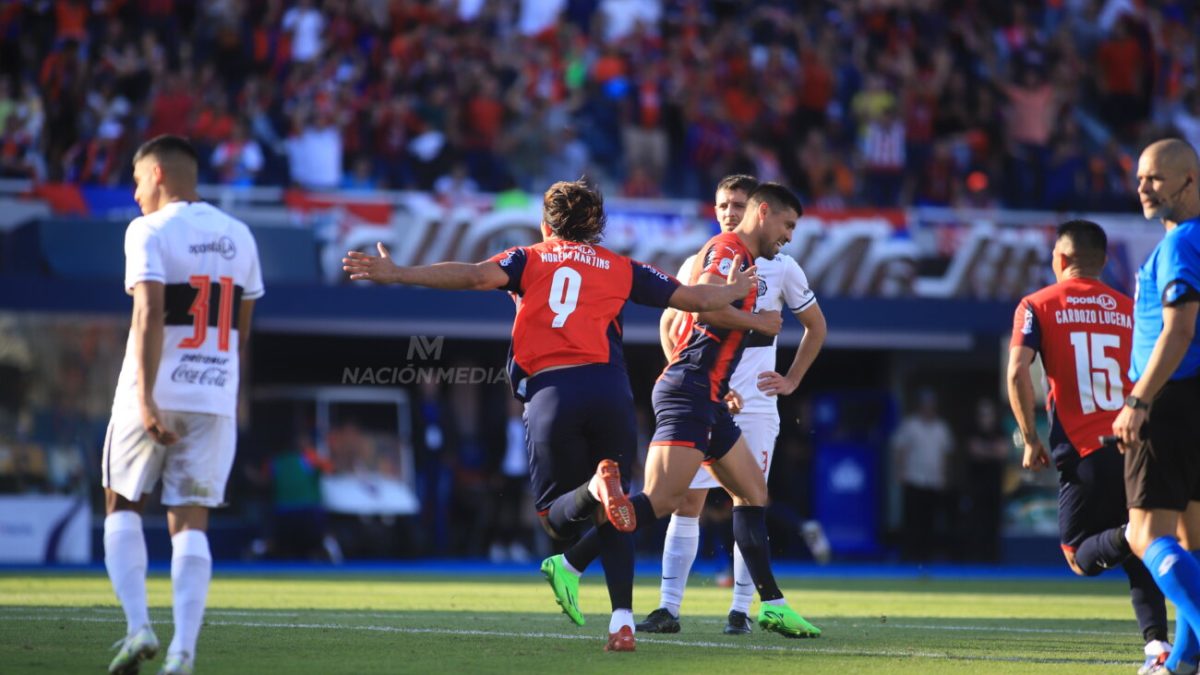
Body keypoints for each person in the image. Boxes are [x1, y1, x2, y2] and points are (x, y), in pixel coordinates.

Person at [342, 179, 757, 652]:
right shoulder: (620, 266)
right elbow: (695, 300)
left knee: (556, 521)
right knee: (616, 514)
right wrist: (735, 288)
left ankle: (594, 490)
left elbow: (475, 276)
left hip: (552, 392)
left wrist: (398, 274)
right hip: (610, 389)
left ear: (545, 225)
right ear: (597, 225)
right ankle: (621, 621)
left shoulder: (529, 258)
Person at [539, 182, 823, 643]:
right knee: (662, 501)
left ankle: (771, 605)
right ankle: (569, 563)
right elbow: (706, 309)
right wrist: (757, 321)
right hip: (691, 391)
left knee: (753, 495)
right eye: (787, 225)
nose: (788, 236)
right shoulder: (728, 248)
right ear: (765, 212)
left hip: (709, 398)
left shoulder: (751, 259)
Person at [637, 174, 827, 635]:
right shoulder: (706, 258)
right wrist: (693, 374)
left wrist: (791, 379)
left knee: (750, 496)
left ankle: (743, 609)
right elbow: (672, 323)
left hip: (755, 401)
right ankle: (667, 605)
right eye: (723, 204)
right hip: (705, 393)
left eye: (738, 204)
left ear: (755, 208)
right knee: (683, 501)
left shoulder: (778, 265)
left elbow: (815, 326)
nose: (729, 212)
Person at [104, 135, 264, 675]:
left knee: (122, 503)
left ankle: (138, 627)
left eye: (135, 182)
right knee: (190, 521)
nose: (134, 195)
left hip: (153, 387)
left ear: (156, 175)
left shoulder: (147, 230)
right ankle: (183, 653)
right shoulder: (240, 235)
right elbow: (240, 332)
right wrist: (228, 391)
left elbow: (148, 312)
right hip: (214, 390)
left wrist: (146, 398)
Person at [1007, 219, 1169, 672]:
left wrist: (1031, 437)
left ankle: (1132, 538)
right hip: (1138, 445)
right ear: (1105, 261)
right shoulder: (1130, 309)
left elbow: (1018, 371)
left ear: (1060, 259)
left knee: (1081, 555)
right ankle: (1157, 648)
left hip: (1084, 451)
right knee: (1140, 556)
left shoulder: (1036, 304)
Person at [1115, 138, 1200, 675]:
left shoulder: (1181, 244)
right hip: (1191, 400)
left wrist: (1139, 399)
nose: (1143, 188)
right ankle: (1183, 664)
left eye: (1156, 178)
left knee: (1147, 534)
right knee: (1193, 540)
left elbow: (1179, 328)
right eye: (1141, 178)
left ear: (1189, 182)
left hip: (1168, 399)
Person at [890, 389, 954, 561]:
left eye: (931, 405)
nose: (928, 409)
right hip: (913, 478)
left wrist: (943, 476)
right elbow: (900, 449)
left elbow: (945, 455)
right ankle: (910, 555)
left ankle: (926, 555)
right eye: (925, 405)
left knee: (930, 520)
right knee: (912, 520)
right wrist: (900, 471)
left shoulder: (941, 428)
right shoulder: (910, 425)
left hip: (933, 480)